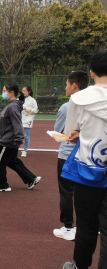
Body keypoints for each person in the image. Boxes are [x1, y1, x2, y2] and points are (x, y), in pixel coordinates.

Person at [61, 51, 107, 269]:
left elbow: (70, 131)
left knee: (87, 224)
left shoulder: (79, 98)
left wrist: (79, 133)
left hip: (89, 170)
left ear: (91, 72)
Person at [53, 71, 88, 241]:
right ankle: (90, 225)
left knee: (66, 192)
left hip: (67, 154)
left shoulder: (67, 107)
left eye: (66, 84)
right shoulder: (94, 105)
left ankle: (68, 227)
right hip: (88, 155)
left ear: (74, 85)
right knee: (88, 191)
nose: (65, 87)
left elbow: (59, 131)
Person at [0, 83, 41, 192]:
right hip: (9, 138)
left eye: (4, 91)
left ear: (11, 92)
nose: (3, 93)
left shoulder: (13, 106)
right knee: (12, 161)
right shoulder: (11, 105)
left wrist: (18, 139)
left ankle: (1, 185)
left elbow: (17, 124)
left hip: (8, 141)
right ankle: (31, 179)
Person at [20, 85, 38, 157]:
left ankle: (25, 150)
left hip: (28, 120)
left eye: (25, 91)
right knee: (18, 135)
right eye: (22, 90)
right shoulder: (19, 99)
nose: (23, 92)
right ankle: (15, 149)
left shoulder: (32, 100)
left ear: (29, 92)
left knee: (26, 136)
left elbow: (35, 110)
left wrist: (26, 108)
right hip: (19, 120)